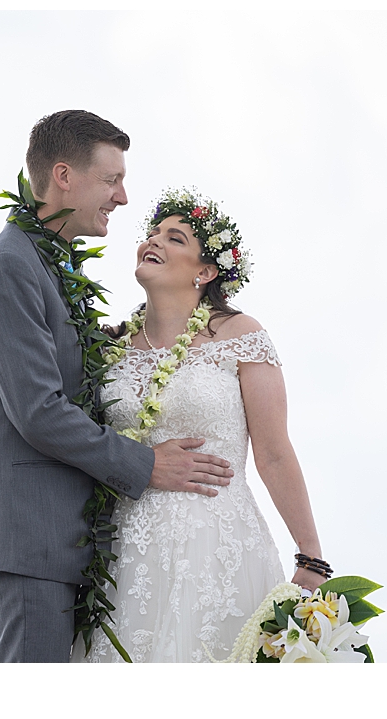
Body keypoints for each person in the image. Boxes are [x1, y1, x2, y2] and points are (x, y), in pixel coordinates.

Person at [0, 111, 236, 663]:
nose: (124, 197)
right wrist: (146, 464)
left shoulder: (49, 266)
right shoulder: (9, 266)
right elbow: (39, 410)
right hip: (31, 534)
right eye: (112, 180)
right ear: (65, 176)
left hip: (67, 539)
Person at [72, 188, 329, 663]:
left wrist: (311, 556)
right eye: (151, 233)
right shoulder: (108, 348)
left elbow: (274, 453)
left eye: (175, 238)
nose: (154, 241)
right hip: (125, 554)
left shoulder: (241, 335)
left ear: (205, 272)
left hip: (217, 545)